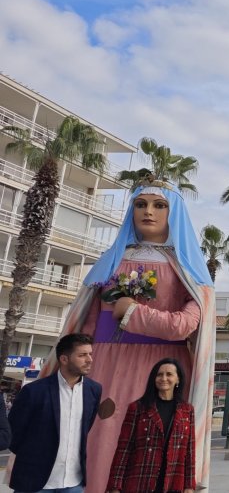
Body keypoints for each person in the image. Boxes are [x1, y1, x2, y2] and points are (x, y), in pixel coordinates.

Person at [47, 182, 216, 493]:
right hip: (106, 367)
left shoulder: (188, 268)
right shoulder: (111, 259)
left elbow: (185, 325)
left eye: (158, 205)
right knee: (101, 441)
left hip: (162, 367)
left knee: (154, 450)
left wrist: (131, 312)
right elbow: (89, 320)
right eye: (140, 204)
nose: (148, 211)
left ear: (174, 213)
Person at [7, 333, 102, 492]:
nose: (90, 360)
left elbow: (86, 427)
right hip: (35, 481)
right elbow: (14, 434)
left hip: (74, 482)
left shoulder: (94, 390)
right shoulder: (34, 391)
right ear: (64, 359)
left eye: (90, 354)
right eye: (82, 355)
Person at [106, 357, 196, 493]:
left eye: (169, 374)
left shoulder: (187, 410)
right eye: (159, 374)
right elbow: (124, 449)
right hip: (140, 481)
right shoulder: (137, 408)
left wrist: (189, 486)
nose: (163, 378)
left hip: (173, 483)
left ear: (178, 379)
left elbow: (190, 451)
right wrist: (115, 486)